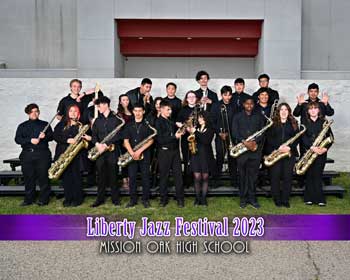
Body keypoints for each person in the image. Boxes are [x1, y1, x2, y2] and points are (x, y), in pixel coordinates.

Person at [15, 103, 53, 206]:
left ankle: (44, 199)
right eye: (32, 112)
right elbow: (17, 139)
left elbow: (52, 136)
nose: (34, 113)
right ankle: (28, 199)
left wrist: (45, 136)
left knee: (43, 177)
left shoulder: (45, 124)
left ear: (39, 112)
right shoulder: (22, 126)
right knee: (28, 178)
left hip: (42, 154)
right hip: (27, 155)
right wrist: (30, 140)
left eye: (36, 111)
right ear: (28, 113)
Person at [53, 105, 91, 207]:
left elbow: (87, 140)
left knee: (76, 177)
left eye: (75, 111)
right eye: (71, 111)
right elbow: (55, 136)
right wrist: (67, 140)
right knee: (66, 178)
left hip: (77, 155)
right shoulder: (62, 124)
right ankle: (68, 198)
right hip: (64, 154)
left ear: (78, 113)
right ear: (68, 113)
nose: (73, 113)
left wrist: (86, 138)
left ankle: (77, 199)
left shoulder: (81, 126)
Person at [91, 96, 124, 208]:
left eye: (99, 106)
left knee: (113, 175)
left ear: (105, 105)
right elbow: (94, 136)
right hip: (100, 151)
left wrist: (106, 144)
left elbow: (119, 135)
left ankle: (115, 199)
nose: (98, 108)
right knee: (100, 176)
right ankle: (100, 199)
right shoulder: (97, 120)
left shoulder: (117, 119)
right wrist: (97, 144)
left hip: (112, 151)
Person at [232, 97, 265, 209]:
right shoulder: (237, 117)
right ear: (243, 104)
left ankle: (252, 198)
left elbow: (262, 132)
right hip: (242, 150)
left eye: (251, 103)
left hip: (255, 150)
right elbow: (234, 132)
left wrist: (254, 142)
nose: (249, 105)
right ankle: (243, 199)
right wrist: (244, 142)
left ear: (253, 105)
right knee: (242, 176)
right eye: (247, 103)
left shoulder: (259, 117)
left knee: (253, 176)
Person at [265, 103, 300, 208]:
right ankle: (277, 199)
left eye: (286, 109)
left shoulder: (294, 123)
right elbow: (268, 139)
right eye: (281, 110)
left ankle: (285, 199)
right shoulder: (272, 124)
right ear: (278, 112)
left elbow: (297, 138)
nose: (284, 112)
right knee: (275, 177)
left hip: (289, 154)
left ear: (289, 111)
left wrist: (290, 147)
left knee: (287, 177)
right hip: (276, 153)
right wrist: (278, 148)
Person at [300, 102, 333, 206]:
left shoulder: (324, 122)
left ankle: (320, 199)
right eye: (311, 109)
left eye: (315, 108)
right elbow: (302, 138)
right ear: (308, 111)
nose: (313, 110)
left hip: (321, 153)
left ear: (318, 110)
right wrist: (312, 147)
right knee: (309, 175)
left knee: (318, 175)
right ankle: (308, 198)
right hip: (309, 151)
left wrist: (324, 149)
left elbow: (331, 138)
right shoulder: (304, 123)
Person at [123, 103, 155, 208]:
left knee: (145, 177)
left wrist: (139, 151)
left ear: (143, 112)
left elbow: (151, 141)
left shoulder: (147, 124)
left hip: (144, 154)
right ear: (133, 112)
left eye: (140, 111)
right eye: (135, 111)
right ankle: (133, 200)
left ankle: (145, 199)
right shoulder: (129, 125)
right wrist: (132, 153)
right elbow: (125, 141)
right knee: (132, 177)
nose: (137, 113)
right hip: (131, 155)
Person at [155, 100, 184, 207]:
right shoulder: (158, 122)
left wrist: (180, 130)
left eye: (170, 109)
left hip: (175, 152)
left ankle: (180, 199)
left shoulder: (171, 121)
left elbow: (175, 135)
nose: (170, 111)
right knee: (164, 176)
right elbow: (160, 140)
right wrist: (174, 136)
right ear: (161, 109)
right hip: (164, 152)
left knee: (178, 176)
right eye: (168, 109)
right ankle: (163, 199)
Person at [211, 85, 238, 187]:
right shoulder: (215, 106)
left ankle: (234, 181)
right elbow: (212, 122)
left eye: (229, 95)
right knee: (219, 158)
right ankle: (216, 181)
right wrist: (219, 132)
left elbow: (236, 121)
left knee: (232, 159)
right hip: (220, 135)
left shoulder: (234, 106)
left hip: (232, 135)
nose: (227, 97)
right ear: (221, 95)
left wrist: (230, 133)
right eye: (225, 95)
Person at [188, 111, 215, 206]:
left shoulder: (210, 129)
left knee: (205, 177)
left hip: (206, 156)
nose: (199, 119)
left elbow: (206, 140)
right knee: (197, 177)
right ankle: (197, 198)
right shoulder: (196, 128)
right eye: (198, 118)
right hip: (196, 155)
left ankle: (203, 199)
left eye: (201, 118)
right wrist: (191, 132)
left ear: (206, 118)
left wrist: (195, 132)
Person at [176, 91, 200, 188]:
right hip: (186, 138)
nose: (191, 98)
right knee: (187, 159)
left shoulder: (199, 109)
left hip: (197, 137)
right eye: (189, 97)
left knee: (197, 159)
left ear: (196, 98)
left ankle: (196, 181)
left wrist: (195, 130)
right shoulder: (183, 109)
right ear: (186, 99)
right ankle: (187, 181)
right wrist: (185, 127)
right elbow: (177, 122)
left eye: (193, 96)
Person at [117, 94, 133, 190]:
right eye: (123, 100)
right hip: (123, 140)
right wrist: (123, 141)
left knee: (131, 161)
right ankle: (124, 181)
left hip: (133, 139)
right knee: (124, 160)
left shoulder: (133, 111)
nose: (126, 101)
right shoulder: (119, 114)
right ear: (120, 102)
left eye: (127, 100)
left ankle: (131, 180)